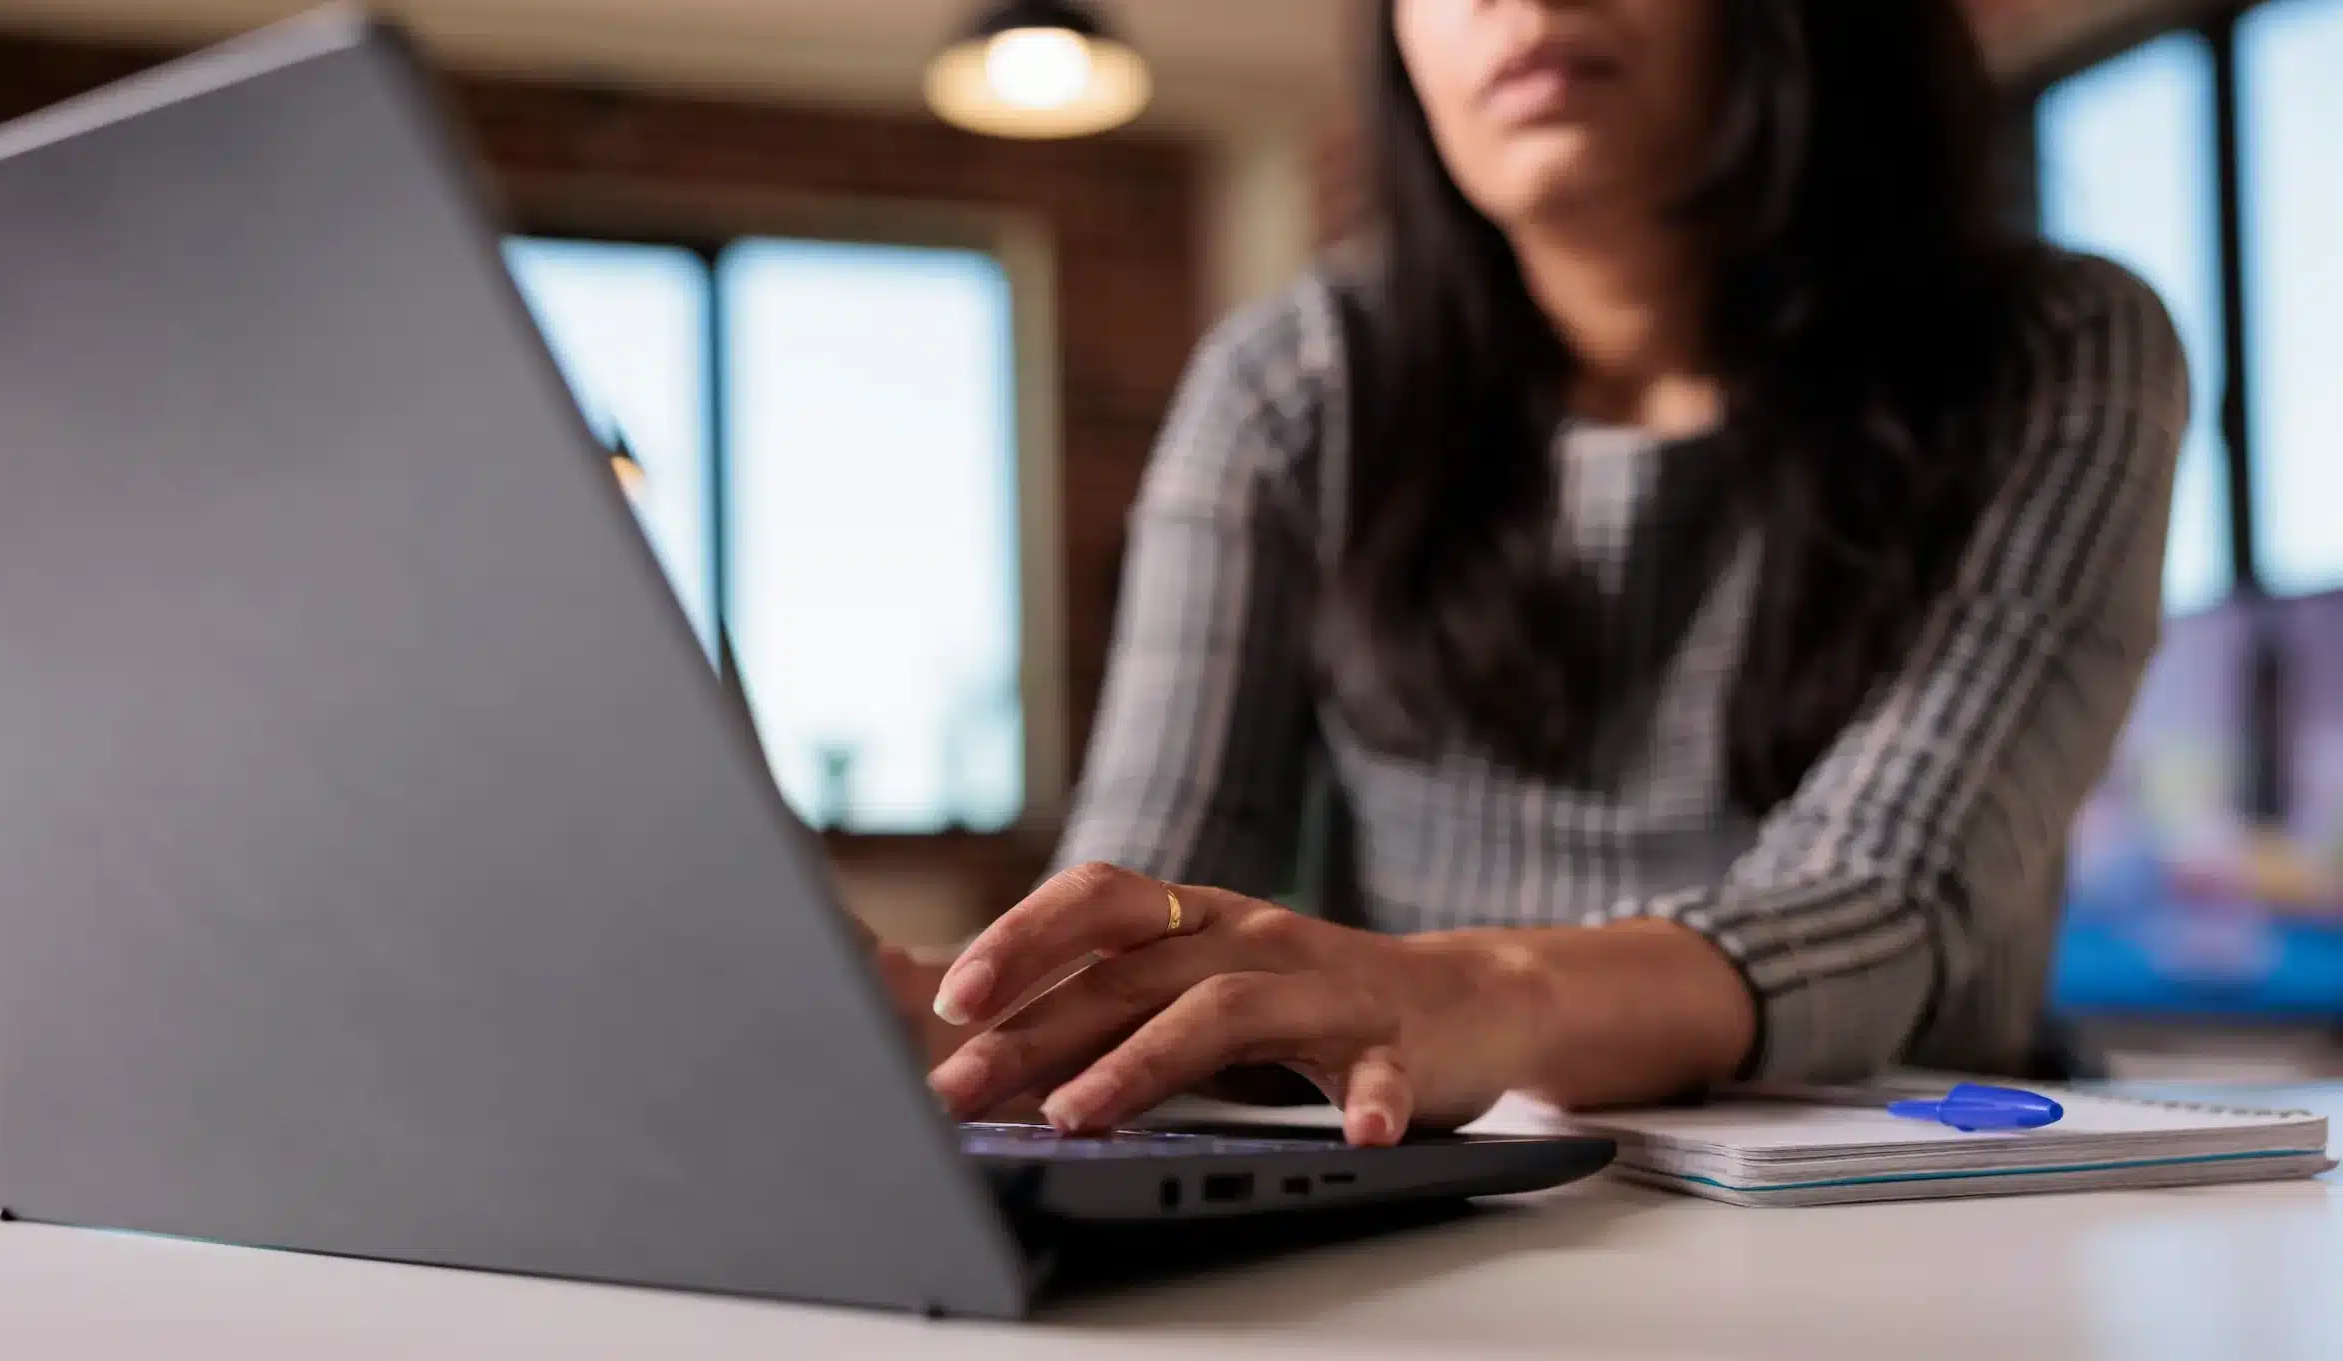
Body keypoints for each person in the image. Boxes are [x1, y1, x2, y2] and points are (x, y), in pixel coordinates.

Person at [872, 0, 2185, 1147]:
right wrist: (971, 1015)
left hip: (1921, 1213)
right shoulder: (1294, 387)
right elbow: (1145, 895)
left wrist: (1492, 991)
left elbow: (1884, 900)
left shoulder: (2055, 350)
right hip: (1444, 1208)